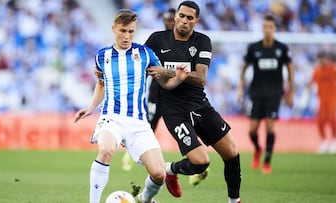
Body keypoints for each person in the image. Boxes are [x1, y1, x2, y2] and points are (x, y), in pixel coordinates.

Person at [73, 9, 188, 203]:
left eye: (131, 31)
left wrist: (178, 77)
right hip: (112, 117)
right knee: (106, 150)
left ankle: (145, 199)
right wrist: (91, 107)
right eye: (123, 31)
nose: (127, 36)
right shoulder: (102, 57)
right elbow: (102, 83)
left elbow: (164, 79)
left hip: (138, 122)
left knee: (159, 174)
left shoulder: (144, 53)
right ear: (114, 29)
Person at [145, 1, 241, 203]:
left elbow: (201, 77)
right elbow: (140, 66)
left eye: (190, 18)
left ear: (196, 21)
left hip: (200, 105)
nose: (184, 21)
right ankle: (169, 171)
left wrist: (168, 71)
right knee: (200, 162)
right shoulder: (156, 40)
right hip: (174, 110)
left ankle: (235, 201)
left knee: (232, 153)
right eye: (182, 15)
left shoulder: (202, 41)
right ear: (175, 17)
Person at [237, 14, 295, 174]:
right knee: (252, 130)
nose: (268, 30)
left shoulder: (281, 48)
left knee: (270, 127)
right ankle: (257, 149)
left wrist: (291, 91)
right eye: (265, 27)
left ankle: (267, 161)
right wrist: (240, 87)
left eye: (270, 27)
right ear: (262, 28)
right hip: (256, 93)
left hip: (274, 93)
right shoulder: (254, 48)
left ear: (274, 28)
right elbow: (244, 67)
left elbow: (290, 68)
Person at [121, 8, 176, 172]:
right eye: (167, 19)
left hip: (175, 94)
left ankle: (193, 161)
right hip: (156, 92)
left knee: (179, 126)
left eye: (172, 19)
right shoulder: (156, 40)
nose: (169, 22)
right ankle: (130, 154)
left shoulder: (183, 43)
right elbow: (141, 63)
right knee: (149, 126)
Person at [308, 51, 336, 154]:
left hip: (333, 97)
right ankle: (324, 142)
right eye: (320, 59)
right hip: (321, 98)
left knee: (332, 119)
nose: (322, 61)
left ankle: (334, 142)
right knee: (320, 121)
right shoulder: (317, 70)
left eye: (323, 58)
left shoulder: (334, 68)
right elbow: (311, 83)